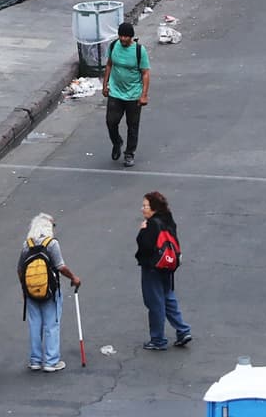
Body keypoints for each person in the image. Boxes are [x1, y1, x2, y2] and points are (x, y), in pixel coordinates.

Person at [16, 213, 81, 373]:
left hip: (31, 291)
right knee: (51, 325)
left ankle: (35, 360)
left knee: (35, 324)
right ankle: (51, 361)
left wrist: (24, 289)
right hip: (50, 291)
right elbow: (60, 266)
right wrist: (73, 277)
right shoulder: (51, 244)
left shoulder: (27, 244)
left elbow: (20, 269)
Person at [136, 191, 192, 350]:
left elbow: (145, 246)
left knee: (155, 303)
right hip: (168, 265)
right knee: (168, 298)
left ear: (153, 208)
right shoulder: (168, 220)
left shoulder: (151, 224)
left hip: (152, 268)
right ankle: (183, 330)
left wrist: (142, 231)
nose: (142, 209)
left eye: (145, 206)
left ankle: (158, 339)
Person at [102, 22, 150, 168]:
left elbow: (145, 73)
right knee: (111, 122)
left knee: (132, 126)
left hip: (133, 94)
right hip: (115, 92)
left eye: (126, 36)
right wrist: (105, 85)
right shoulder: (113, 46)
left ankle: (129, 153)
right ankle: (117, 142)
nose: (123, 39)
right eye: (121, 36)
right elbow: (109, 64)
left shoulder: (139, 51)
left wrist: (144, 95)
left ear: (131, 37)